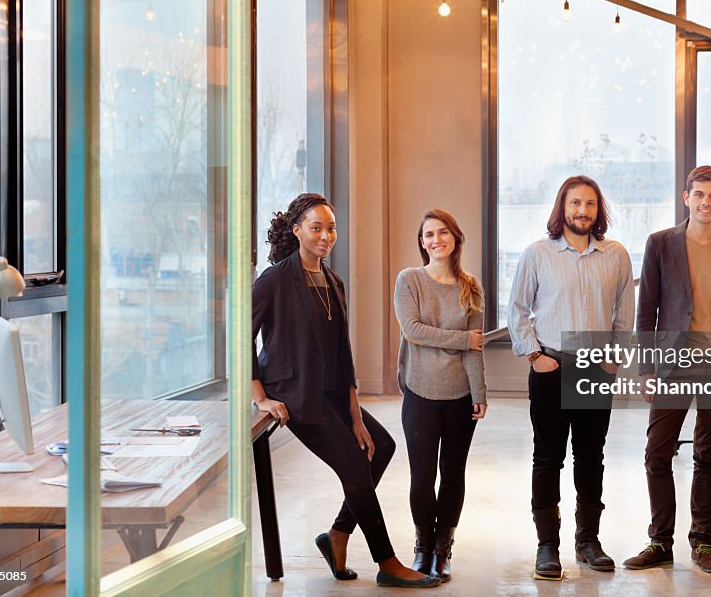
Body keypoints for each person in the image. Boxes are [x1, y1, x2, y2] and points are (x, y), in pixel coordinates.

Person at [251, 193, 440, 589]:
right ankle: (387, 562)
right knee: (355, 466)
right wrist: (261, 397)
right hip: (297, 395)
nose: (325, 235)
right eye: (316, 227)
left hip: (334, 393)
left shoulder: (332, 280)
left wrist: (356, 416)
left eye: (331, 227)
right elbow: (239, 338)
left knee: (380, 447)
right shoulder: (274, 280)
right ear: (297, 229)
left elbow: (342, 353)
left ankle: (337, 536)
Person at [626, 165, 711, 575]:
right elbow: (646, 310)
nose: (706, 202)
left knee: (707, 454)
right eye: (698, 194)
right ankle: (659, 542)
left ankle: (702, 542)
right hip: (673, 364)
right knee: (657, 453)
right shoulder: (660, 244)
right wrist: (645, 368)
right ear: (686, 197)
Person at [508, 175, 635, 580]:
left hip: (596, 367)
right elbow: (517, 309)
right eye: (575, 203)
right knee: (548, 458)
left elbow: (624, 313)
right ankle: (547, 546)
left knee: (591, 458)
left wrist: (614, 358)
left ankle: (588, 542)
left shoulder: (616, 255)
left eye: (590, 204)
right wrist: (534, 355)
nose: (582, 211)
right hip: (552, 366)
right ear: (562, 207)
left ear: (599, 211)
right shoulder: (537, 254)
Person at [394, 208, 488, 583]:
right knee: (421, 476)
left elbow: (475, 349)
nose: (436, 240)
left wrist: (479, 391)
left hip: (460, 395)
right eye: (429, 234)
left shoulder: (471, 286)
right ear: (422, 242)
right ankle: (422, 547)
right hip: (420, 392)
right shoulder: (410, 281)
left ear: (456, 238)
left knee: (453, 475)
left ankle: (442, 549)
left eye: (443, 232)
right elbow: (414, 330)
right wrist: (463, 339)